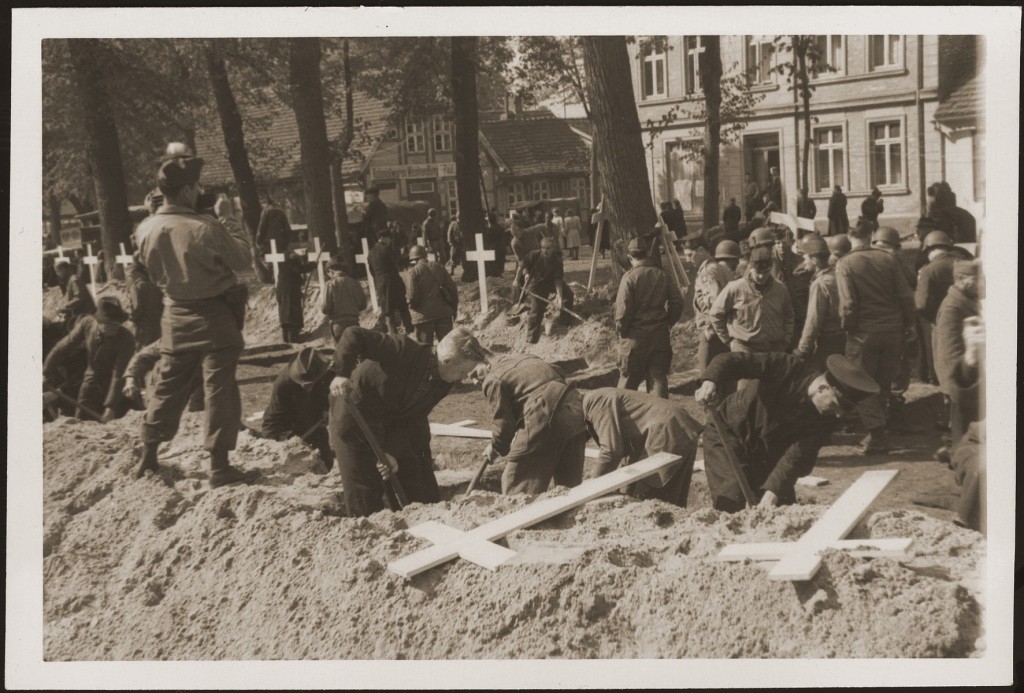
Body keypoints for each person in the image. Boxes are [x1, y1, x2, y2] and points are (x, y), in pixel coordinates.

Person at [133, 144, 255, 487]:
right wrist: (228, 216)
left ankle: (149, 455)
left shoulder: (145, 229)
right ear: (186, 189)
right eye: (197, 186)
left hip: (174, 313)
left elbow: (143, 267)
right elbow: (243, 259)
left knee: (168, 385)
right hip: (214, 314)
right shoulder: (206, 226)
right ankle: (219, 466)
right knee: (220, 390)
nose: (199, 191)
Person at [694, 352, 879, 512]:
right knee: (732, 502)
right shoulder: (787, 367)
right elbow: (733, 360)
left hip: (768, 454)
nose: (838, 415)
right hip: (727, 433)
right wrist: (711, 381)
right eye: (836, 406)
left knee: (781, 508)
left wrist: (773, 492)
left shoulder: (826, 419)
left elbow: (797, 456)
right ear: (823, 388)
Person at [326, 326, 467, 516]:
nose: (465, 378)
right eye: (463, 371)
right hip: (355, 419)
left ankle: (418, 521)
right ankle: (372, 533)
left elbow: (414, 418)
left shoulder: (443, 383)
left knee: (412, 474)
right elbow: (353, 334)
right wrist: (341, 373)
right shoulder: (404, 349)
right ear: (448, 361)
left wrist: (391, 451)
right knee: (364, 490)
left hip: (390, 424)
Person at [835, 221, 917, 454]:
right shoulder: (888, 259)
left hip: (864, 333)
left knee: (861, 383)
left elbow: (848, 304)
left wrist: (849, 328)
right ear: (870, 236)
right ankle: (880, 428)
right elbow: (905, 296)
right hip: (893, 332)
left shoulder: (845, 263)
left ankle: (877, 435)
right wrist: (908, 325)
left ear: (850, 238)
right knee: (883, 382)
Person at [468, 338, 587, 495]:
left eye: (475, 373)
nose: (476, 381)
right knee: (570, 490)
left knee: (516, 487)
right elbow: (557, 374)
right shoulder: (525, 358)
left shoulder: (494, 379)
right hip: (576, 415)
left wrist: (496, 447)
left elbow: (503, 427)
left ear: (485, 360)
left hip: (545, 417)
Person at [582, 388, 702, 506]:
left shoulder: (593, 402)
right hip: (678, 425)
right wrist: (626, 490)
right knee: (673, 503)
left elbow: (611, 451)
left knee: (651, 504)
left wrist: (593, 487)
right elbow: (626, 452)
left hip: (667, 430)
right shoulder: (595, 402)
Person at [42, 296, 135, 423]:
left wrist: (110, 406)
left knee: (118, 421)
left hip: (116, 388)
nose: (114, 327)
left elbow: (118, 373)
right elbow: (62, 348)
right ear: (99, 322)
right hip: (90, 380)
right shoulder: (87, 324)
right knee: (81, 421)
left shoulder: (126, 339)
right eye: (110, 324)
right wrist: (45, 372)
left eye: (117, 324)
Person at [615, 237, 685, 398]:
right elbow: (677, 302)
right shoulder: (663, 275)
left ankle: (619, 420)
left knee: (625, 390)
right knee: (658, 383)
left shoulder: (629, 278)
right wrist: (668, 323)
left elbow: (622, 313)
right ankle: (660, 421)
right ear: (647, 254)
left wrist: (623, 333)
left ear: (630, 257)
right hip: (659, 337)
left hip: (634, 340)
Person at [709, 245, 794, 355]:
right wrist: (728, 341)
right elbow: (715, 313)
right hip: (744, 349)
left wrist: (786, 340)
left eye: (765, 272)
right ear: (750, 267)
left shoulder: (781, 289)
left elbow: (789, 316)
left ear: (770, 268)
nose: (761, 276)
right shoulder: (735, 288)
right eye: (757, 272)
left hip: (774, 349)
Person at [933, 260, 980, 456]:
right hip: (962, 382)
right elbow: (949, 351)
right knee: (963, 437)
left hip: (971, 379)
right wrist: (955, 384)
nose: (983, 284)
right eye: (977, 280)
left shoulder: (967, 300)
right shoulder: (952, 307)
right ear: (960, 279)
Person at [261, 347, 334, 470]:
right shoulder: (283, 383)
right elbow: (272, 420)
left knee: (325, 462)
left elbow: (329, 396)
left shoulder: (327, 374)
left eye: (310, 383)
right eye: (303, 384)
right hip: (290, 429)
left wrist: (326, 410)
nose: (307, 388)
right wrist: (270, 447)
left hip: (315, 424)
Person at [794, 234, 844, 371]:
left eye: (805, 257)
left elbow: (814, 320)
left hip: (827, 342)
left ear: (814, 260)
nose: (804, 261)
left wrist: (802, 349)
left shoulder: (820, 284)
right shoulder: (837, 274)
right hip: (844, 337)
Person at [122, 339, 204, 414]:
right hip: (164, 387)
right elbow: (142, 357)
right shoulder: (173, 338)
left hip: (196, 390)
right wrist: (130, 379)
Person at [693, 240, 740, 371]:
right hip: (729, 331)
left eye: (690, 254)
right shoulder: (730, 274)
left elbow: (714, 304)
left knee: (705, 377)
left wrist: (709, 331)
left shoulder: (709, 272)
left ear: (701, 251)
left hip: (713, 333)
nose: (689, 259)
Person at [520, 237, 575, 344]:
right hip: (537, 284)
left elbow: (558, 281)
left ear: (553, 248)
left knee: (568, 295)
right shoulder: (534, 255)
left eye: (548, 248)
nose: (545, 251)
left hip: (551, 282)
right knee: (537, 309)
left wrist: (559, 299)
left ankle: (563, 323)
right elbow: (524, 263)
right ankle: (532, 338)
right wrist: (526, 274)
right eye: (543, 248)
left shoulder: (557, 261)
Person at [407, 244, 459, 345]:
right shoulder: (439, 266)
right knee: (447, 347)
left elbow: (413, 296)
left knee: (425, 350)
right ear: (425, 255)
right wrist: (454, 308)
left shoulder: (413, 272)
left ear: (413, 259)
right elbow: (452, 289)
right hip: (444, 313)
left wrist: (412, 306)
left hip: (423, 318)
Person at [368, 229, 414, 336]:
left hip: (381, 284)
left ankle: (393, 335)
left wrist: (379, 279)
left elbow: (371, 271)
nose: (390, 241)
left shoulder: (371, 252)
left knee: (388, 311)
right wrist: (406, 256)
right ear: (383, 238)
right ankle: (410, 330)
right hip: (393, 282)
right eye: (389, 238)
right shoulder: (387, 249)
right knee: (402, 307)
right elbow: (396, 263)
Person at [322, 258, 366, 344]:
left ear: (331, 271)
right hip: (354, 323)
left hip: (338, 324)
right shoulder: (355, 283)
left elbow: (325, 307)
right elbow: (363, 305)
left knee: (340, 354)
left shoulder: (330, 284)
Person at [126, 253, 164, 351]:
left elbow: (137, 308)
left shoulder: (137, 287)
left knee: (143, 349)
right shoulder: (155, 285)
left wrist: (131, 317)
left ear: (135, 273)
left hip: (144, 326)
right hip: (158, 322)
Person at [256, 195, 292, 281]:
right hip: (280, 242)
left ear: (266, 203)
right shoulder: (281, 212)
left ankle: (272, 277)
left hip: (267, 243)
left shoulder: (265, 212)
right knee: (280, 261)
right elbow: (287, 229)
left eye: (263, 203)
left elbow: (261, 228)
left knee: (264, 259)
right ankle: (279, 278)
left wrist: (258, 241)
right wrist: (285, 242)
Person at [54, 256, 95, 331]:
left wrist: (63, 308)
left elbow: (79, 298)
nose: (57, 274)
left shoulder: (74, 280)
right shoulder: (70, 280)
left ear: (63, 269)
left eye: (58, 271)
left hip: (85, 314)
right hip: (80, 314)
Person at [276, 251, 305, 344]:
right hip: (290, 296)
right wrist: (313, 265)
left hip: (283, 294)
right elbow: (299, 270)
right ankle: (293, 338)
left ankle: (285, 338)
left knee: (285, 317)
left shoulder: (284, 267)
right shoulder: (292, 263)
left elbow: (296, 279)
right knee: (293, 317)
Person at [446, 212, 463, 276]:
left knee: (463, 257)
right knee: (453, 257)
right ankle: (452, 271)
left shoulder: (463, 224)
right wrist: (450, 242)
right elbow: (449, 233)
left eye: (461, 217)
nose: (460, 219)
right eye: (459, 217)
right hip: (454, 244)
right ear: (457, 217)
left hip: (462, 243)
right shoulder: (453, 224)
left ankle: (465, 270)